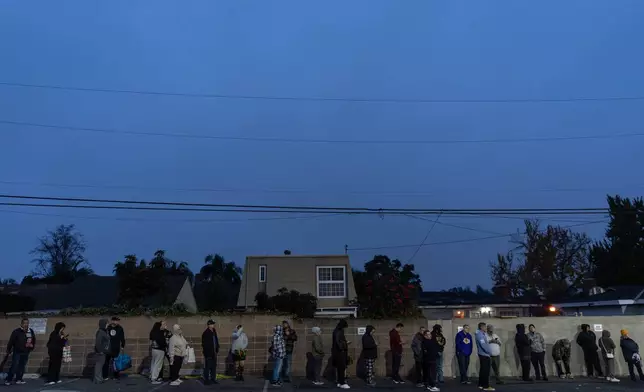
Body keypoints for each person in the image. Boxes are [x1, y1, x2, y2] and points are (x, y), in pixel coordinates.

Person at [4, 318, 36, 386]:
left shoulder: (30, 331)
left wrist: (32, 347)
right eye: (24, 323)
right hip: (17, 352)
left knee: (22, 366)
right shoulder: (16, 331)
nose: (26, 324)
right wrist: (8, 350)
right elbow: (11, 341)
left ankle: (19, 379)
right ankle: (8, 379)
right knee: (14, 366)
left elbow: (33, 340)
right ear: (21, 324)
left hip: (26, 352)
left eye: (27, 323)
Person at [104, 316, 125, 380]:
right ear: (112, 321)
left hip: (116, 348)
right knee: (106, 362)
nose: (117, 322)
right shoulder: (108, 328)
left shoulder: (120, 328)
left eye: (118, 321)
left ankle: (116, 376)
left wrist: (122, 346)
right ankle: (105, 375)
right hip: (108, 348)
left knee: (116, 362)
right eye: (116, 320)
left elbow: (122, 338)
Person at [475, 322, 494, 392]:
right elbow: (483, 345)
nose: (486, 328)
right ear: (481, 327)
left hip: (483, 354)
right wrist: (489, 352)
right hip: (484, 355)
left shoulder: (481, 334)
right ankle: (486, 386)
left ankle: (481, 384)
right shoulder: (480, 335)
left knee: (483, 370)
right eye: (485, 327)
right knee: (485, 371)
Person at [332, 319, 350, 389]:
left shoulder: (336, 330)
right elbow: (339, 344)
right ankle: (342, 383)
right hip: (340, 353)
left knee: (339, 368)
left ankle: (339, 382)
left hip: (337, 353)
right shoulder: (339, 331)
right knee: (341, 368)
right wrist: (346, 343)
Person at [201, 319, 219, 385]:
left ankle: (213, 379)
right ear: (209, 325)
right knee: (208, 367)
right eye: (212, 324)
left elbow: (216, 340)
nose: (213, 325)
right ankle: (206, 380)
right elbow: (204, 344)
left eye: (213, 324)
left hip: (214, 352)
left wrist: (217, 348)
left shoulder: (214, 331)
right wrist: (207, 353)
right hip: (208, 353)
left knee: (213, 367)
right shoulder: (206, 333)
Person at [93, 319, 111, 384]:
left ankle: (99, 379)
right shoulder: (100, 332)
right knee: (99, 365)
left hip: (103, 352)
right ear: (103, 324)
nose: (108, 325)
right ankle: (97, 379)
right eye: (107, 324)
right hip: (100, 352)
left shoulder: (104, 331)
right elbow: (98, 343)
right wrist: (100, 351)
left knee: (100, 365)